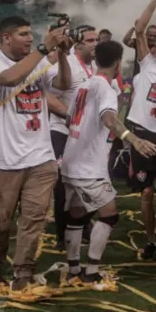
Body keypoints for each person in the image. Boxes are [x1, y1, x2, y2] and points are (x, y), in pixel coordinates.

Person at [0, 16, 71, 289]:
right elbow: (10, 78)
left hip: (40, 155)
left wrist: (62, 56)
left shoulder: (38, 59)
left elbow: (63, 84)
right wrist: (43, 49)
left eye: (31, 34)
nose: (29, 38)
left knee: (34, 219)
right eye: (23, 34)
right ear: (6, 37)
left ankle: (24, 274)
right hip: (2, 157)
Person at [62, 40, 156, 286]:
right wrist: (133, 139)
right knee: (109, 215)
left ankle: (73, 269)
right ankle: (91, 273)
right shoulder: (105, 88)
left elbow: (68, 119)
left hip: (71, 160)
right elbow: (109, 118)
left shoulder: (83, 85)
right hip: (89, 166)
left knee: (77, 215)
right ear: (117, 63)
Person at [125, 0, 156, 257]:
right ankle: (151, 240)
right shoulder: (147, 66)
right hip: (142, 133)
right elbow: (139, 28)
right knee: (145, 192)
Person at [47, 24, 98, 250]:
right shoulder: (67, 65)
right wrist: (70, 117)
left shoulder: (95, 66)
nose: (96, 44)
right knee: (62, 186)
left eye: (97, 40)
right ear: (77, 44)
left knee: (86, 181)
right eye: (90, 41)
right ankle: (61, 234)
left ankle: (83, 224)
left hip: (87, 135)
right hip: (62, 132)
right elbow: (47, 96)